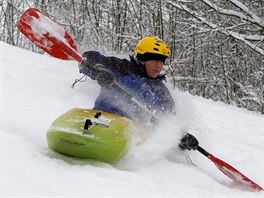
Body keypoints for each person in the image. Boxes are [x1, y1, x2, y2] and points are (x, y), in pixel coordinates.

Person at [78, 36, 198, 151]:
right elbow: (89, 58)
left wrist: (179, 137)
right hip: (99, 118)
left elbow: (169, 119)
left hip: (130, 132)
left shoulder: (161, 90)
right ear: (142, 59)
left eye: (162, 62)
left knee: (146, 128)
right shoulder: (122, 67)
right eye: (155, 61)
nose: (159, 66)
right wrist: (99, 71)